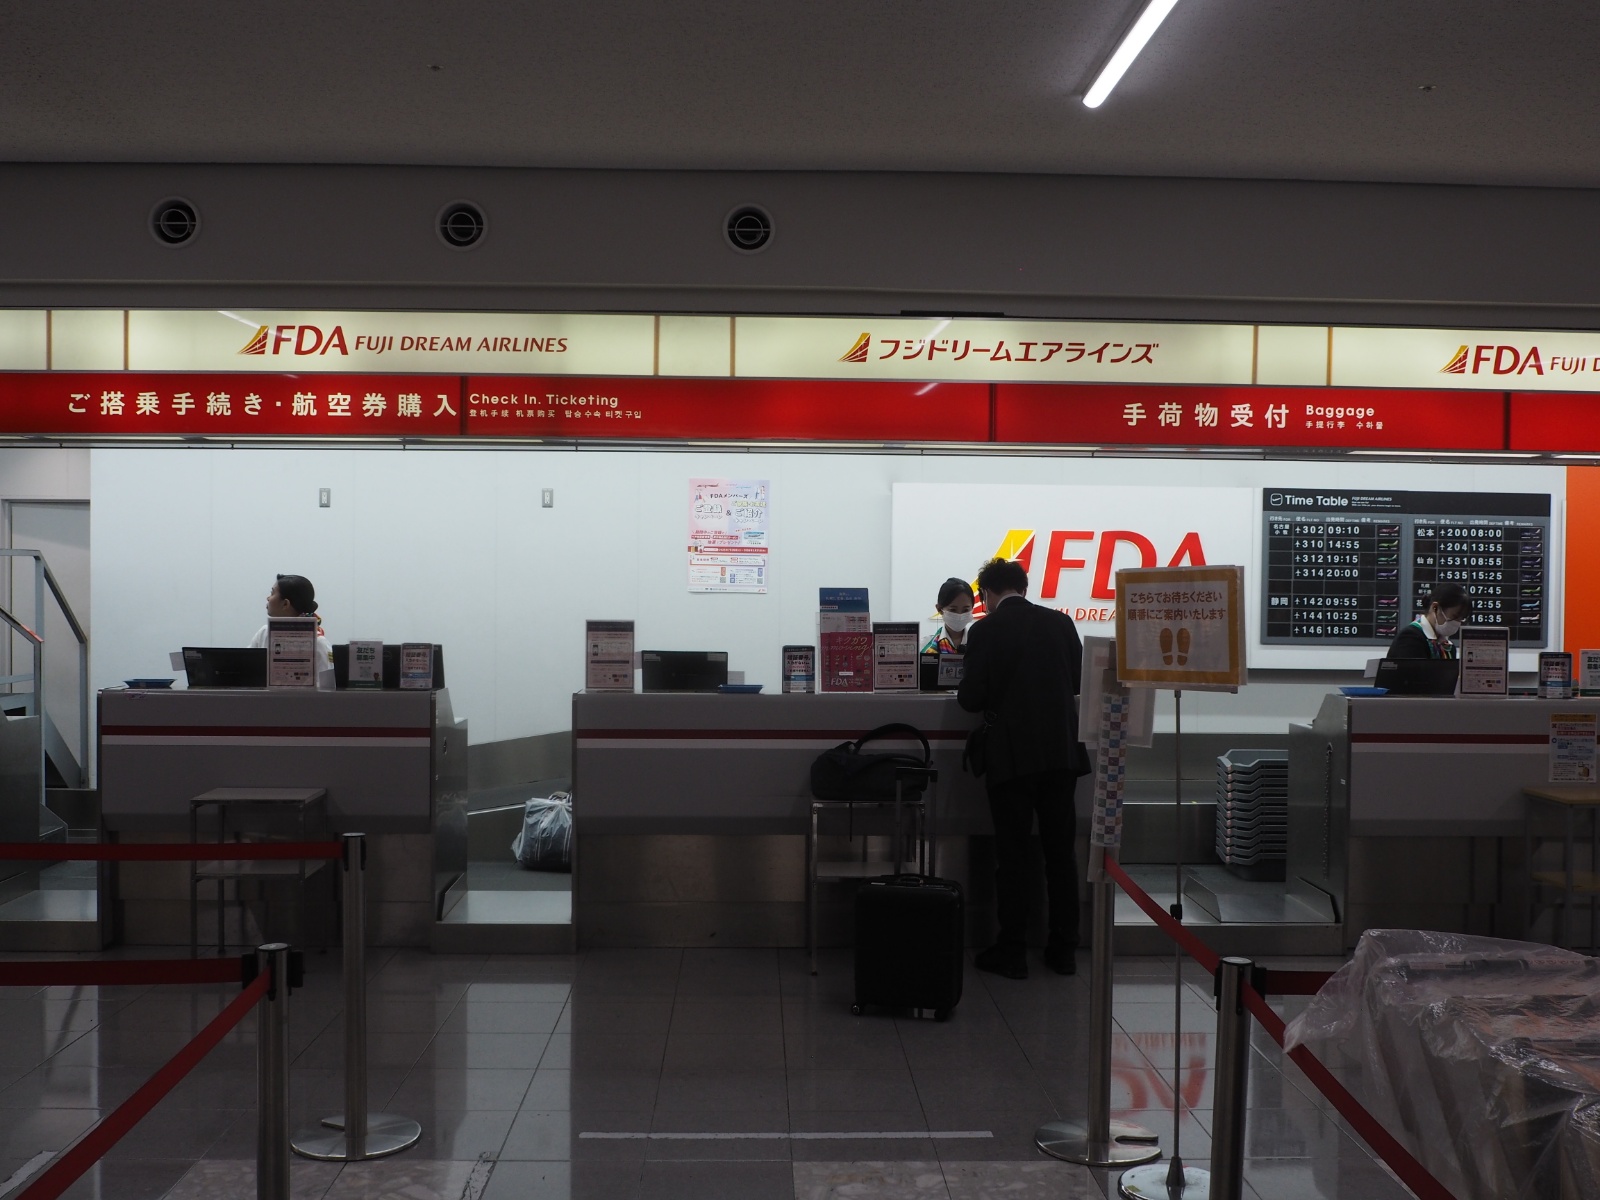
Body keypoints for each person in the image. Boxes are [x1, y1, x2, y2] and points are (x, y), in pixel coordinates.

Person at [957, 556, 1090, 979]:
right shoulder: (1061, 624)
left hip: (1011, 756)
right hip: (1060, 754)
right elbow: (1078, 682)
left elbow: (970, 699)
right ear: (1024, 588)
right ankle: (1064, 950)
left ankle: (1012, 951)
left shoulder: (985, 630)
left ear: (986, 595)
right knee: (1060, 854)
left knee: (1012, 856)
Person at [250, 573, 335, 688]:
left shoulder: (319, 643)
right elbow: (247, 668)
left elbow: (327, 688)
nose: (268, 598)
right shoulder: (264, 633)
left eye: (272, 593)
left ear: (285, 604)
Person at [1387, 582, 1471, 660]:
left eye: (1461, 619)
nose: (1457, 623)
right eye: (1454, 616)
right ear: (1435, 608)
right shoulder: (1410, 638)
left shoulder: (1448, 647)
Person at [922, 576, 977, 654]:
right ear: (939, 609)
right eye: (953, 610)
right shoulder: (925, 647)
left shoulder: (979, 644)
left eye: (965, 610)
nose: (960, 615)